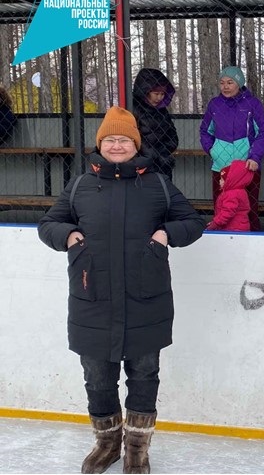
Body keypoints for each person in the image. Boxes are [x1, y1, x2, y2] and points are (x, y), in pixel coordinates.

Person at [37, 106, 205, 474]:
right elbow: (48, 223)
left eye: (124, 139)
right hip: (92, 299)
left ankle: (137, 450)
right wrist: (69, 236)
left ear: (136, 145)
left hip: (146, 300)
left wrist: (166, 235)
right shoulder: (80, 185)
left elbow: (192, 221)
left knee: (144, 375)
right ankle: (108, 443)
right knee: (97, 377)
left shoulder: (158, 184)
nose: (117, 145)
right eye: (110, 139)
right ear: (100, 144)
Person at [199, 66, 264, 231]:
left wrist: (254, 157)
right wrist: (213, 150)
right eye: (222, 82)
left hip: (246, 167)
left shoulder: (252, 104)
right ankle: (219, 244)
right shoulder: (215, 105)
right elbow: (205, 131)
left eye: (230, 82)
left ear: (239, 83)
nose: (225, 86)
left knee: (248, 209)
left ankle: (253, 243)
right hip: (221, 166)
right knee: (221, 208)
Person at [131, 68, 179, 179]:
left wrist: (162, 154)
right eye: (156, 93)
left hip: (163, 165)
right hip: (140, 165)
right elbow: (132, 137)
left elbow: (173, 138)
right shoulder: (132, 108)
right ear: (145, 91)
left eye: (162, 94)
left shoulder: (162, 110)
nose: (159, 97)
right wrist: (152, 155)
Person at [206, 159, 252, 232]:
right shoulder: (239, 191)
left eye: (222, 179)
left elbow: (227, 212)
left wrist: (215, 223)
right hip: (239, 227)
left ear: (229, 181)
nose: (219, 181)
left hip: (233, 229)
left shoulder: (231, 194)